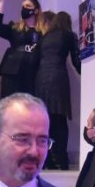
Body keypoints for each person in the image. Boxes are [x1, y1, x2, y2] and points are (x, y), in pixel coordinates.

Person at [35, 11, 81, 170]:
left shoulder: (44, 37)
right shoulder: (68, 35)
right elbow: (77, 60)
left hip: (41, 79)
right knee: (60, 120)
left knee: (46, 120)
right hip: (58, 79)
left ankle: (47, 160)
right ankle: (62, 159)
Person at [0, 0, 45, 97]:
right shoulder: (15, 29)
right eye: (23, 6)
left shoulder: (42, 32)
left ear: (36, 10)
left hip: (32, 75)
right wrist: (2, 0)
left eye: (28, 6)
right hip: (12, 73)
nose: (24, 8)